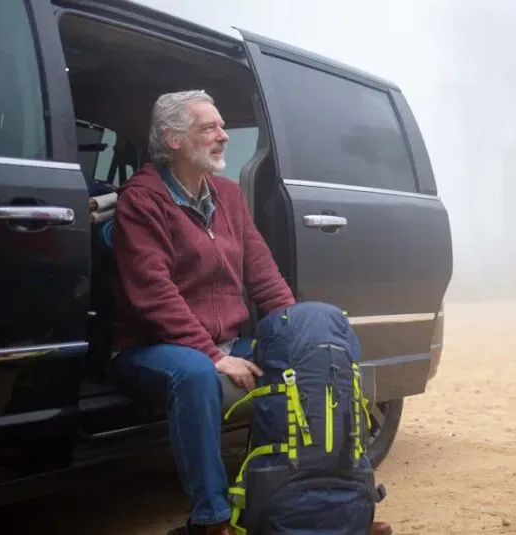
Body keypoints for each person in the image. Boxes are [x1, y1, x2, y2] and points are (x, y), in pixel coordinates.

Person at [110, 90, 393, 535]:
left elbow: (262, 272)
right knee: (196, 375)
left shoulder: (225, 195)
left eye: (222, 127)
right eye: (209, 128)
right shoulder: (142, 199)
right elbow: (153, 291)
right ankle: (212, 519)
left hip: (223, 342)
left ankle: (331, 503)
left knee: (314, 362)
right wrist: (212, 354)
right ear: (174, 138)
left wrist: (297, 333)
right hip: (153, 345)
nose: (223, 136)